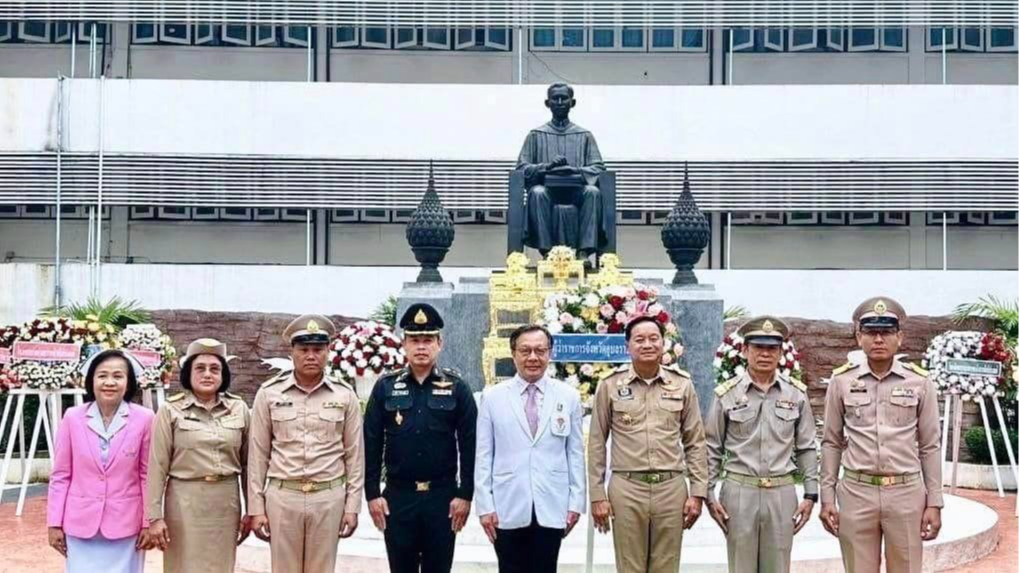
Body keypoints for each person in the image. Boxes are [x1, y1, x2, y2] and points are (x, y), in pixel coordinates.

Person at [819, 297, 943, 573]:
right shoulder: (841, 381)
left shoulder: (920, 382)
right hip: (856, 492)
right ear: (858, 336)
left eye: (886, 332)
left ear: (899, 337)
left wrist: (934, 501)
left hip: (906, 493)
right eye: (871, 332)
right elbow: (831, 442)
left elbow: (930, 445)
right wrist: (827, 496)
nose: (878, 339)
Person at [588, 315, 708, 573]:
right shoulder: (609, 385)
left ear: (663, 343)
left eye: (654, 338)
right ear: (627, 346)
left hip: (671, 488)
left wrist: (698, 492)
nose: (647, 344)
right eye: (639, 339)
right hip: (627, 488)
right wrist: (597, 495)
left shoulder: (682, 384)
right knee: (629, 567)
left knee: (666, 566)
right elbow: (597, 442)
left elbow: (695, 441)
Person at [363, 303, 477, 573]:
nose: (421, 347)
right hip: (398, 498)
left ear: (440, 343)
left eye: (428, 340)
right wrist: (372, 494)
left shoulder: (457, 388)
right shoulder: (386, 387)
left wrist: (465, 494)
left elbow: (471, 444)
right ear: (404, 344)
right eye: (415, 340)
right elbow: (371, 441)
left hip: (443, 498)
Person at [247, 314, 365, 573]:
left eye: (318, 349)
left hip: (328, 497)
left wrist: (352, 506)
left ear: (328, 351)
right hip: (283, 497)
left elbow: (355, 456)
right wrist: (256, 508)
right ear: (292, 352)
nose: (311, 355)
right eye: (304, 349)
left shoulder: (345, 395)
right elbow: (257, 455)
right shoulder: (269, 394)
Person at [705, 316, 819, 573]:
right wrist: (708, 492)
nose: (765, 354)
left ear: (781, 353)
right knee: (741, 567)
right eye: (758, 347)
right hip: (739, 491)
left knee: (778, 567)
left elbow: (806, 446)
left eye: (772, 349)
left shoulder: (795, 394)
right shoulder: (727, 394)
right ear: (745, 350)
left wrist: (811, 494)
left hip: (781, 492)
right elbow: (712, 446)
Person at [475, 324, 586, 573]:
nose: (533, 357)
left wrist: (576, 503)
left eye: (540, 350)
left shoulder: (568, 396)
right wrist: (485, 506)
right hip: (507, 504)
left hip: (552, 503)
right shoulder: (493, 397)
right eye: (525, 351)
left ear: (550, 353)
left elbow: (575, 453)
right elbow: (484, 455)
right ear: (513, 354)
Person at [143, 338, 251, 573]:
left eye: (215, 369)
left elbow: (248, 464)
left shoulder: (239, 409)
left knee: (221, 566)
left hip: (226, 502)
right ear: (188, 374)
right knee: (183, 566)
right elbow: (157, 466)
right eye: (200, 368)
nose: (207, 374)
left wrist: (252, 509)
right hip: (184, 502)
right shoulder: (170, 410)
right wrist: (154, 517)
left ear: (224, 375)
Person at [47, 349, 155, 573]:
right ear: (91, 380)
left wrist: (148, 522)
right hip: (80, 525)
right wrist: (54, 522)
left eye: (118, 376)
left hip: (126, 526)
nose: (109, 382)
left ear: (129, 382)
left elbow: (147, 476)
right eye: (102, 375)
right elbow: (61, 475)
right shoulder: (73, 417)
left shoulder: (145, 419)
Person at [516, 82, 607, 257]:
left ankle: (583, 253)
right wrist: (546, 167)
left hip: (577, 192)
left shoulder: (584, 135)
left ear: (572, 103)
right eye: (554, 98)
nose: (559, 102)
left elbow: (598, 168)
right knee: (537, 192)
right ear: (547, 103)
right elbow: (521, 168)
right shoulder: (536, 135)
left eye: (563, 98)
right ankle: (549, 253)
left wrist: (575, 170)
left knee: (593, 192)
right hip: (548, 192)